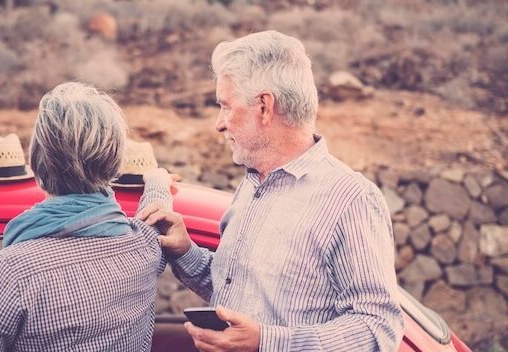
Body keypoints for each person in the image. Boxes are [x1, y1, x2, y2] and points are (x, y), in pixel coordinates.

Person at [139, 30, 404, 352]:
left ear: (264, 106)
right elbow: (234, 291)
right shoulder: (253, 185)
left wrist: (266, 341)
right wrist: (184, 251)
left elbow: (378, 328)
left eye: (226, 106)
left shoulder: (350, 199)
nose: (219, 124)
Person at [0, 82, 174, 351]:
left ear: (36, 160)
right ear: (114, 162)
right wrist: (157, 179)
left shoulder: (12, 272)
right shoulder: (146, 247)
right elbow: (156, 211)